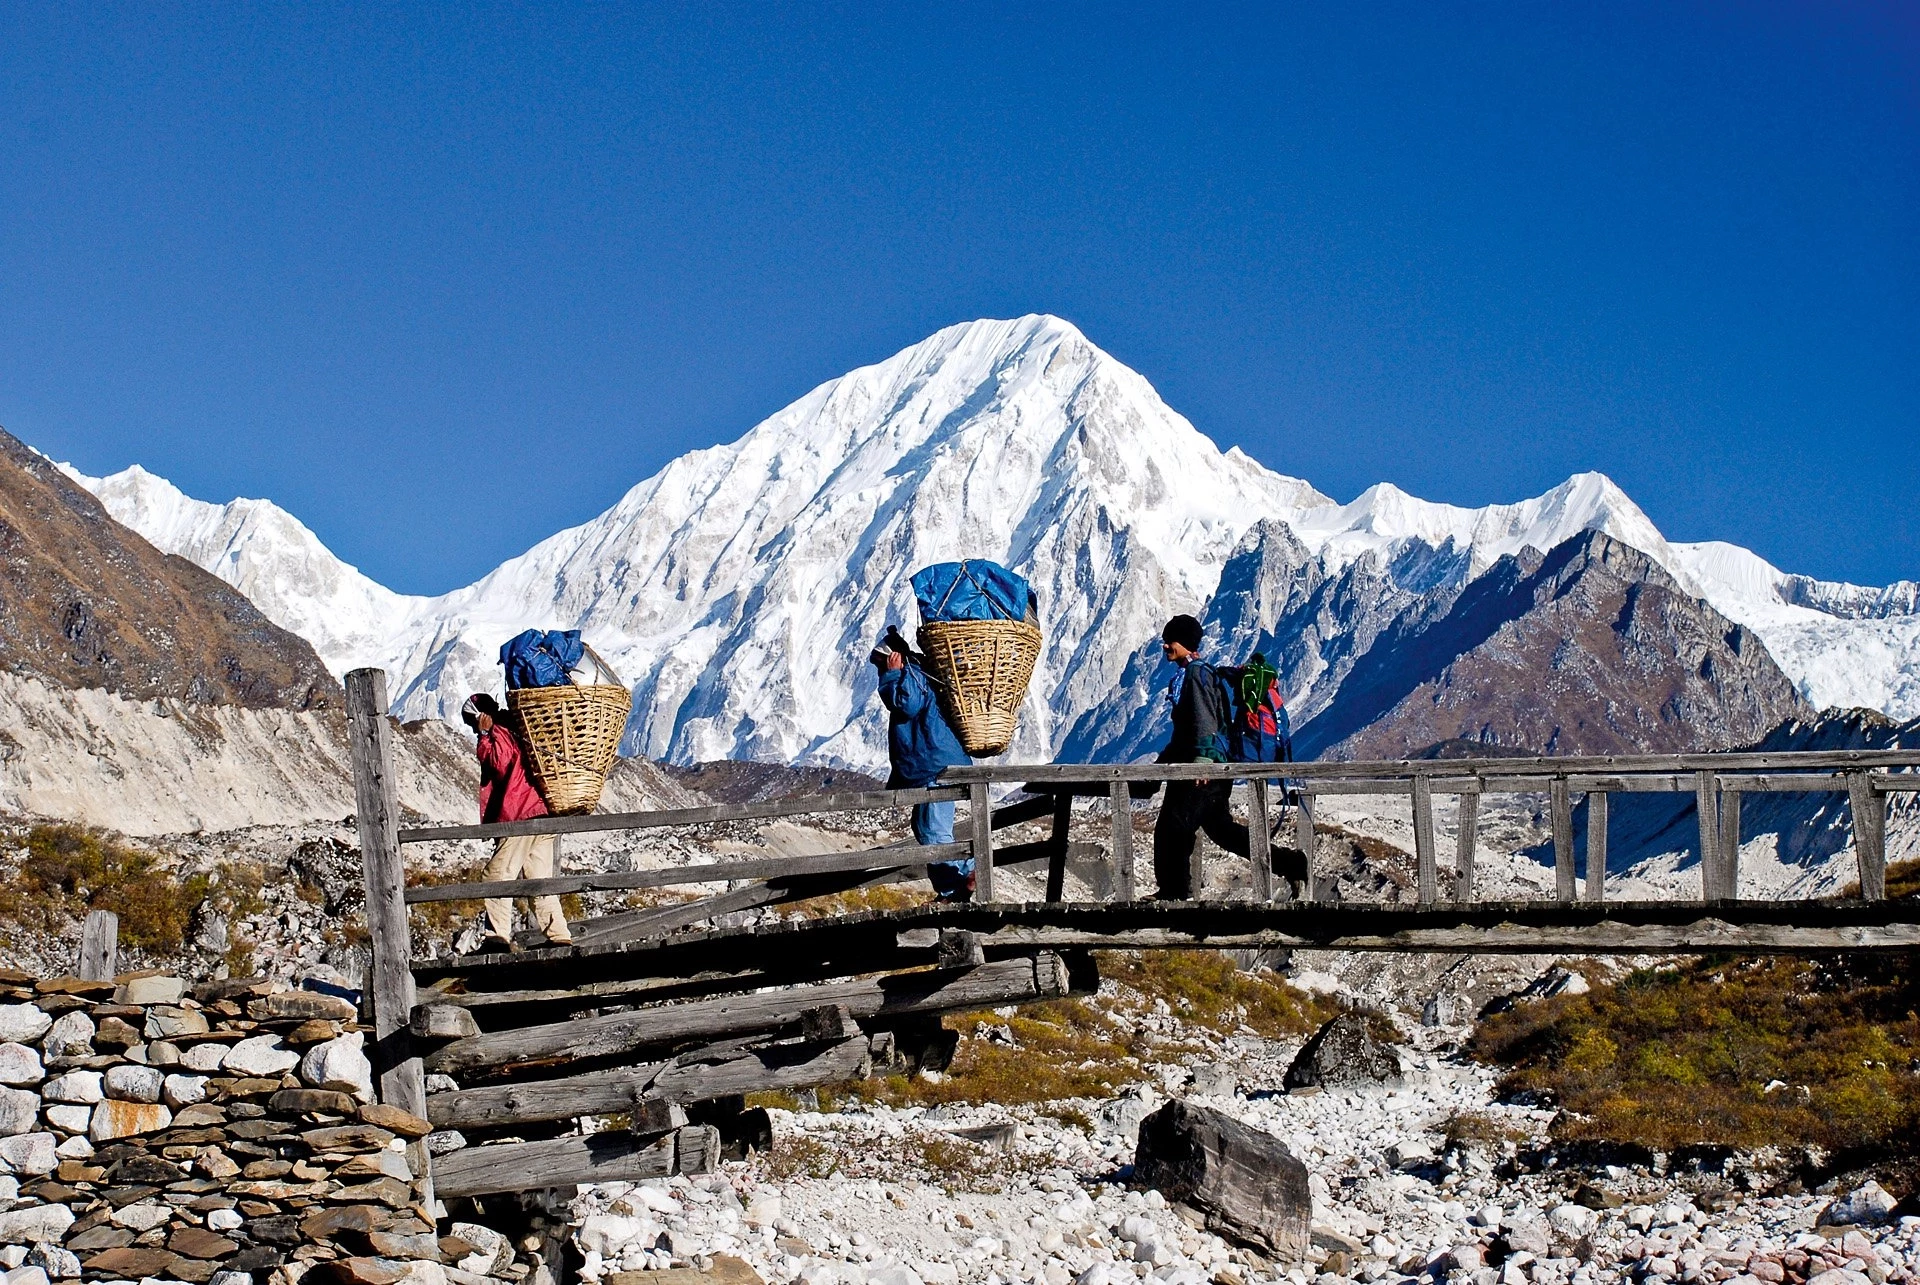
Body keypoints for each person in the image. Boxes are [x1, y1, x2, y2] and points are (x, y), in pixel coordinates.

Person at [1150, 615, 1308, 899]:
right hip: (1215, 769)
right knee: (1223, 832)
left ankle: (1173, 893)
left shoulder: (1196, 675)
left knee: (1172, 827)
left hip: (1202, 769)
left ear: (1183, 643)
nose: (1165, 646)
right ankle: (1292, 864)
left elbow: (1204, 721)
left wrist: (1202, 763)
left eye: (1170, 641)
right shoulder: (1202, 673)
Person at [462, 693, 573, 952]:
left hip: (518, 813)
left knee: (497, 874)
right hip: (541, 812)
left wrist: (485, 735)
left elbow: (500, 763)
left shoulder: (498, 730)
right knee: (540, 880)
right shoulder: (518, 724)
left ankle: (497, 936)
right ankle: (559, 935)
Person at [873, 629, 974, 901]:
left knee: (932, 829)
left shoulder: (911, 675)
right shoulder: (919, 672)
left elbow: (906, 705)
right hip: (935, 763)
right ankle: (957, 882)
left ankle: (963, 879)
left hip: (934, 765)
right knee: (924, 827)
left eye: (881, 662)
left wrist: (893, 674)